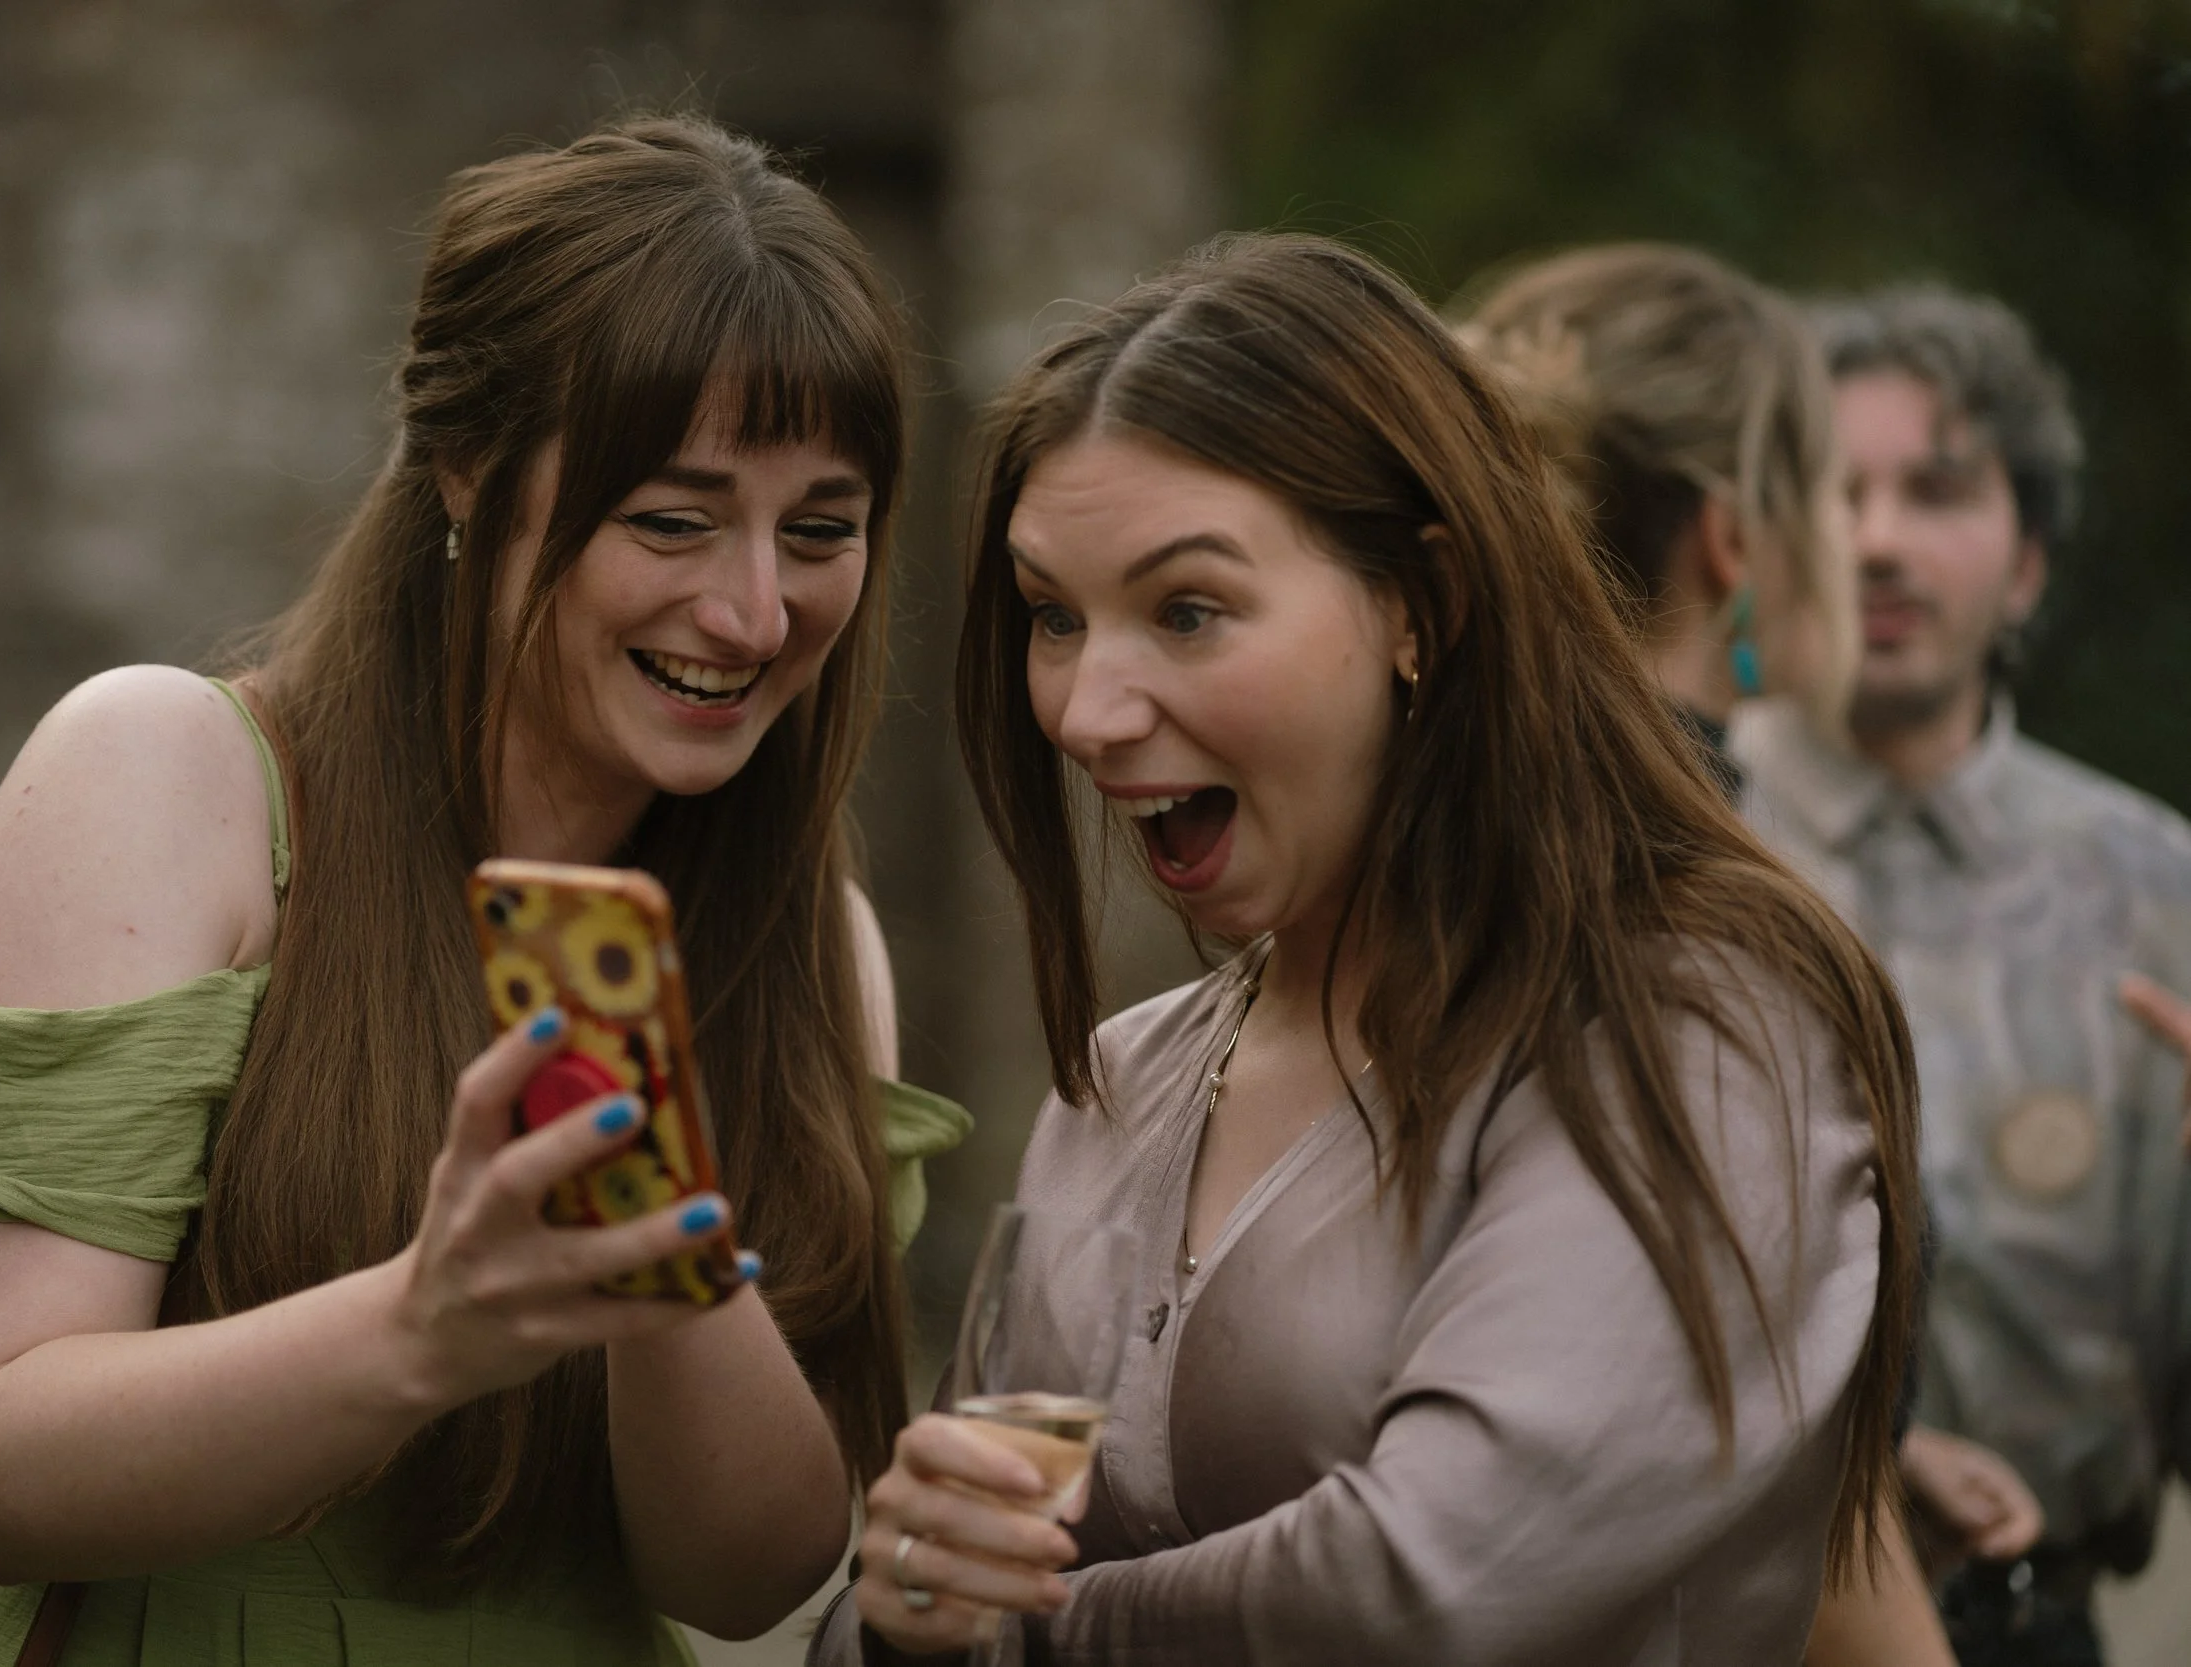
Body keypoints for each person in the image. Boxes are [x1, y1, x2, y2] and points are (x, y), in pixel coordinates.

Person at [0, 115, 968, 1667]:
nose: (758, 608)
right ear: (469, 471)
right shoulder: (173, 776)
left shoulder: (814, 940)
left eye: (821, 530)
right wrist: (422, 1324)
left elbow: (751, 1573)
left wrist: (657, 1257)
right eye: (673, 519)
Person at [815, 232, 1924, 1664]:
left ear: (1425, 604)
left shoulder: (1699, 1023)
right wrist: (902, 1603)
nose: (1088, 710)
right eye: (1051, 618)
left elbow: (1432, 1589)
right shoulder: (1129, 1075)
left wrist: (1018, 1637)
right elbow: (902, 1600)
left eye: (1189, 609)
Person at [1460, 241, 1974, 1666]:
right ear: (1737, 542)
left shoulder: (1431, 852)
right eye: (1831, 495)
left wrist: (1889, 1445)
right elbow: (1806, 1537)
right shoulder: (1708, 925)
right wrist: (1853, 1467)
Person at [1731, 284, 2191, 1665]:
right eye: (1832, 489)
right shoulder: (1652, 847)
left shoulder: (2159, 892)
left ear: (2030, 561)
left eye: (1936, 490)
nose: (1876, 541)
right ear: (1744, 538)